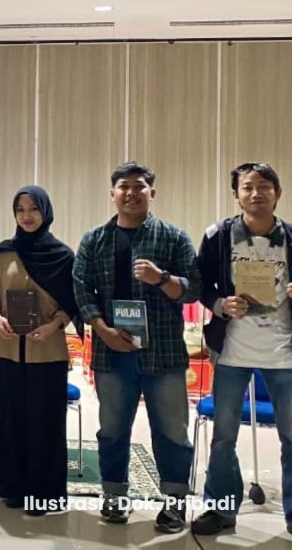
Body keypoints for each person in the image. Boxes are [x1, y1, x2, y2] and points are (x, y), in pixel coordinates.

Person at [72, 161, 201, 532]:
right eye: (123, 187)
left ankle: (174, 505)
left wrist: (161, 278)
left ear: (152, 192)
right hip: (112, 352)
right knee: (112, 430)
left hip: (164, 353)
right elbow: (81, 289)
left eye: (139, 186)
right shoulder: (94, 240)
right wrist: (102, 330)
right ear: (112, 194)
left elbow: (192, 288)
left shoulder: (174, 237)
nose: (131, 193)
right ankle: (114, 497)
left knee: (172, 432)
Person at [193, 163, 292, 540]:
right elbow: (200, 284)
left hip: (285, 355)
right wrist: (221, 305)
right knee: (223, 437)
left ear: (277, 193)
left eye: (264, 186)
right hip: (232, 352)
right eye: (248, 187)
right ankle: (221, 509)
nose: (256, 193)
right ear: (236, 194)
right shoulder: (218, 236)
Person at [0, 185, 78, 515]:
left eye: (33, 209)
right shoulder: (3, 253)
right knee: (10, 420)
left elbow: (72, 303)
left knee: (45, 424)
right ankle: (13, 489)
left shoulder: (63, 257)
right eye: (20, 209)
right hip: (6, 350)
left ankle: (44, 495)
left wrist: (54, 325)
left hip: (47, 352)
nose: (26, 216)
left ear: (45, 212)